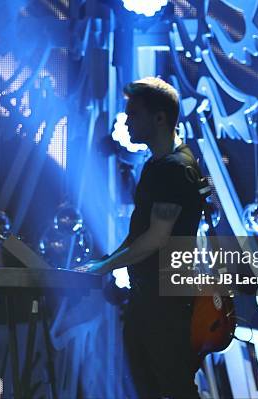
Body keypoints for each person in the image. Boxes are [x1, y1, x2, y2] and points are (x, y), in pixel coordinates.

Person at [76, 77, 202, 398]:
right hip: (147, 299)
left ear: (159, 118)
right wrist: (105, 263)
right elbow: (138, 235)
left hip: (166, 304)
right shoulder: (156, 166)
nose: (126, 120)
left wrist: (105, 268)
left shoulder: (175, 168)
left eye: (133, 113)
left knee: (174, 387)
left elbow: (157, 238)